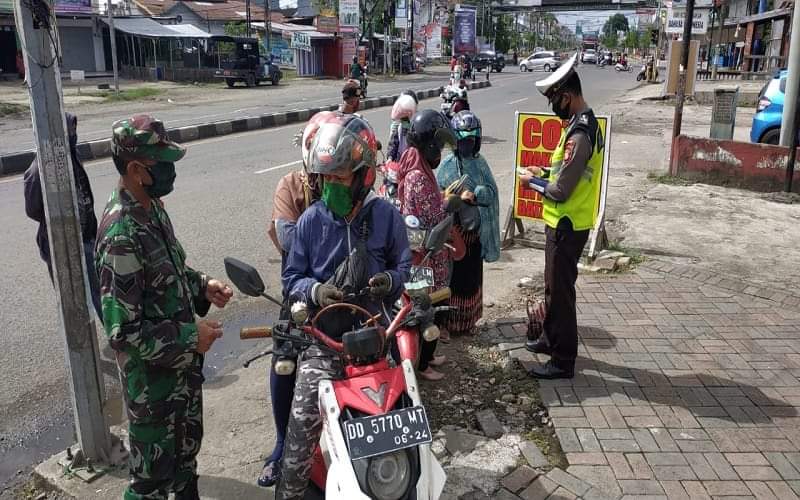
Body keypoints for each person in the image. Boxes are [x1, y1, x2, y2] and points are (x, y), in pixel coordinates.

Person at [95, 114, 234, 499]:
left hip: (179, 380)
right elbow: (123, 333)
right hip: (152, 390)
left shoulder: (151, 207)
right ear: (137, 169)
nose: (171, 171)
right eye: (164, 164)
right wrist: (192, 337)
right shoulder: (121, 234)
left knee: (186, 465)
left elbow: (169, 272)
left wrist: (203, 286)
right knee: (152, 482)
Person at [277, 114, 411, 499]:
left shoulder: (386, 216)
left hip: (374, 340)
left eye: (340, 178)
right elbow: (291, 280)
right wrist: (316, 292)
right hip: (324, 344)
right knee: (300, 432)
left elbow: (404, 266)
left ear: (363, 177)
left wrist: (391, 280)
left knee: (400, 422)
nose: (332, 185)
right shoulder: (310, 222)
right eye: (327, 178)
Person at [258, 111, 335, 488]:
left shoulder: (351, 183)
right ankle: (281, 442)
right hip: (302, 296)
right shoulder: (289, 186)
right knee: (284, 359)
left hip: (346, 295)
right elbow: (288, 239)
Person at [518, 54, 605, 380]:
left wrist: (533, 182)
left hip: (568, 223)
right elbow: (565, 173)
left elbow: (561, 190)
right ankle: (550, 339)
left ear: (567, 95)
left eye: (555, 99)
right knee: (553, 289)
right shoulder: (578, 126)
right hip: (564, 223)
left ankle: (563, 360)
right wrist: (544, 170)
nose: (553, 107)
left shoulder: (580, 133)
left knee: (562, 294)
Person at [24, 112, 102, 322]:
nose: (74, 133)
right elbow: (32, 210)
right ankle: (82, 339)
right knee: (74, 298)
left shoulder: (72, 156)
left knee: (100, 291)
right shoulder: (39, 169)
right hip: (61, 243)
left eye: (75, 129)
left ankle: (115, 335)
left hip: (86, 236)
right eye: (70, 129)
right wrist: (61, 220)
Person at [397, 109, 456, 377]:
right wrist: (450, 204)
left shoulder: (417, 165)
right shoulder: (418, 176)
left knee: (430, 305)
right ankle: (421, 364)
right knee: (425, 308)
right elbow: (432, 217)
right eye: (439, 145)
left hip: (430, 251)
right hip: (425, 254)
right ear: (430, 144)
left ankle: (428, 358)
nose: (440, 152)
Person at [436, 110, 500, 336]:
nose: (467, 145)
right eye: (463, 141)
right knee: (451, 280)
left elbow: (492, 192)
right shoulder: (447, 165)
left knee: (472, 279)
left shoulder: (480, 164)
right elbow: (437, 197)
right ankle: (446, 325)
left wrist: (478, 194)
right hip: (454, 234)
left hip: (474, 235)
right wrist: (454, 197)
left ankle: (469, 323)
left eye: (471, 141)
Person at [387, 94, 417, 162]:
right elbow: (393, 143)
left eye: (405, 118)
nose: (403, 121)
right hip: (399, 161)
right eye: (402, 119)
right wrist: (390, 157)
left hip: (412, 163)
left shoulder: (416, 127)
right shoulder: (399, 128)